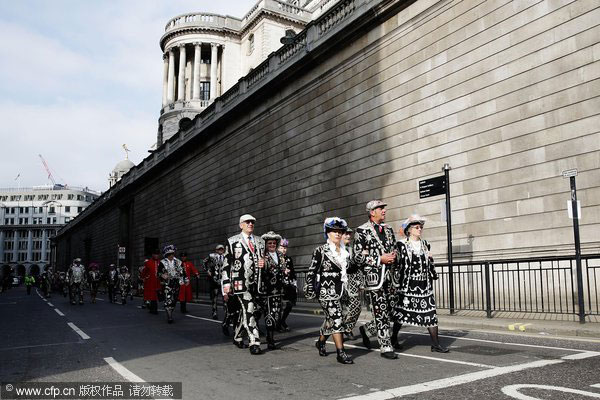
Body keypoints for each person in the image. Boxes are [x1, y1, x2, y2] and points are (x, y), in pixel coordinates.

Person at [305, 217, 356, 365]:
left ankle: (321, 342)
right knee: (337, 319)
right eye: (334, 231)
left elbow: (351, 269)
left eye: (340, 231)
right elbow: (311, 271)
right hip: (326, 292)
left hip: (342, 291)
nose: (338, 234)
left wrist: (359, 259)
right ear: (327, 233)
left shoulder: (346, 251)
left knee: (332, 320)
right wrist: (310, 289)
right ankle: (341, 353)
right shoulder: (320, 251)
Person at [353, 200, 400, 359]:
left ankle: (366, 330)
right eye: (381, 208)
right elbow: (357, 257)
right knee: (380, 312)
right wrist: (380, 259)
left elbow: (393, 248)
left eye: (384, 208)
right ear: (372, 212)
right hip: (374, 279)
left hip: (390, 278)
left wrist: (394, 256)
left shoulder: (389, 229)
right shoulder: (361, 230)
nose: (384, 211)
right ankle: (386, 346)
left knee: (393, 312)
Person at [395, 214, 448, 353]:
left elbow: (428, 263)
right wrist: (395, 283)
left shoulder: (425, 244)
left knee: (431, 314)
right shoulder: (401, 244)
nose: (420, 229)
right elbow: (397, 265)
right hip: (407, 285)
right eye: (417, 227)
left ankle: (436, 344)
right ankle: (393, 338)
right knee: (401, 314)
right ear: (409, 230)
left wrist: (431, 261)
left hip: (424, 285)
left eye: (421, 227)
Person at [221, 214, 264, 355]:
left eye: (252, 222)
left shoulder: (260, 241)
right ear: (241, 225)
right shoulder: (232, 241)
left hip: (257, 283)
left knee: (251, 311)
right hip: (240, 283)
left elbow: (265, 259)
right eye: (247, 222)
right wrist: (226, 284)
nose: (250, 224)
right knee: (249, 308)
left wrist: (264, 263)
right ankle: (254, 341)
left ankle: (237, 336)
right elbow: (227, 265)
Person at [257, 231, 285, 350]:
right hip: (266, 290)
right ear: (266, 244)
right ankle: (270, 339)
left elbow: (282, 269)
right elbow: (260, 272)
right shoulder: (262, 256)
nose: (272, 245)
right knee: (269, 314)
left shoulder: (280, 255)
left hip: (278, 290)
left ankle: (269, 334)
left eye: (274, 243)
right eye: (269, 243)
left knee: (276, 314)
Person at [158, 245, 186, 324]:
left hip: (176, 282)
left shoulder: (178, 261)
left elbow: (183, 271)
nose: (171, 255)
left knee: (174, 299)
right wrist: (162, 275)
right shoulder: (162, 262)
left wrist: (185, 279)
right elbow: (159, 272)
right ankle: (169, 316)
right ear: (166, 255)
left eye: (172, 254)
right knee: (168, 298)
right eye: (169, 254)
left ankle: (170, 310)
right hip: (167, 283)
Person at [342, 228, 362, 341]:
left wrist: (359, 282)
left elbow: (357, 267)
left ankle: (348, 328)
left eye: (349, 234)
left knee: (356, 307)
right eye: (346, 234)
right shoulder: (334, 249)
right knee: (337, 311)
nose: (348, 236)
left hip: (352, 282)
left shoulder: (351, 250)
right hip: (339, 283)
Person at [278, 238, 296, 332]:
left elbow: (293, 272)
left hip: (288, 285)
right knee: (278, 306)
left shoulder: (289, 259)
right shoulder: (275, 258)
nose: (284, 249)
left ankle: (282, 321)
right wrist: (282, 271)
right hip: (278, 285)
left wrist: (294, 283)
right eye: (281, 247)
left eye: (285, 248)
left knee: (289, 304)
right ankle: (278, 323)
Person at [202, 245, 225, 320]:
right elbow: (204, 262)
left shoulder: (226, 256)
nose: (220, 250)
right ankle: (214, 312)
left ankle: (227, 313)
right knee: (214, 297)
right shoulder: (212, 256)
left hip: (224, 279)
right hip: (214, 279)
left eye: (222, 249)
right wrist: (207, 270)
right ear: (216, 250)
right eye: (219, 249)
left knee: (225, 297)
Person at [141, 249, 161, 314]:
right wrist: (144, 277)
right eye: (155, 254)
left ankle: (152, 309)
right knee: (152, 295)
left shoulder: (161, 262)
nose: (156, 255)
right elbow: (144, 271)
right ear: (152, 255)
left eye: (157, 254)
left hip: (158, 282)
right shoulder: (148, 262)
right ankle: (154, 309)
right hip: (151, 282)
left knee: (157, 296)